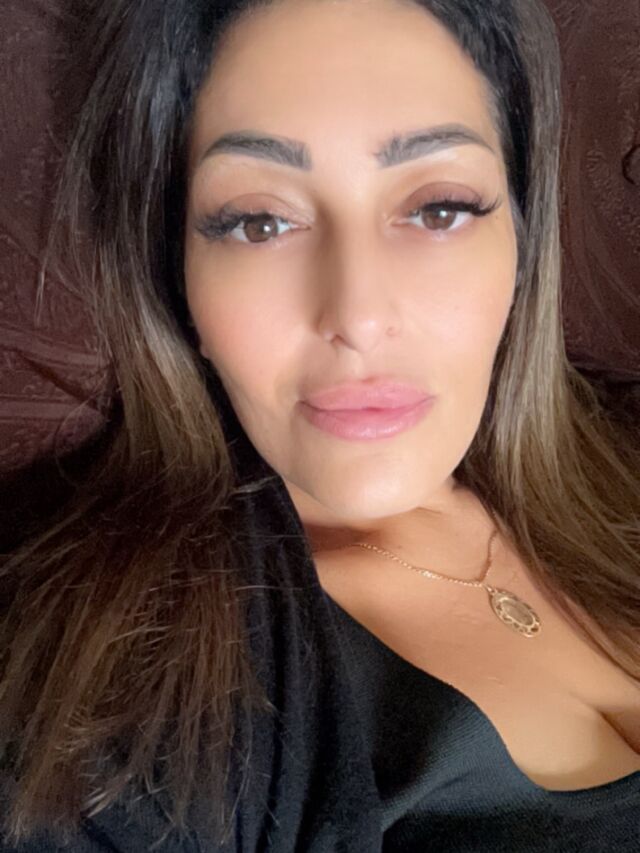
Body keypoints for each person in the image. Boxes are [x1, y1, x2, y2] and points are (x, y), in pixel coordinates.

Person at [1, 0, 639, 850]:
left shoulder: (625, 446)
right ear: (178, 275)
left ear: (521, 241)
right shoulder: (102, 694)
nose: (358, 316)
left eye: (439, 208)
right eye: (260, 222)